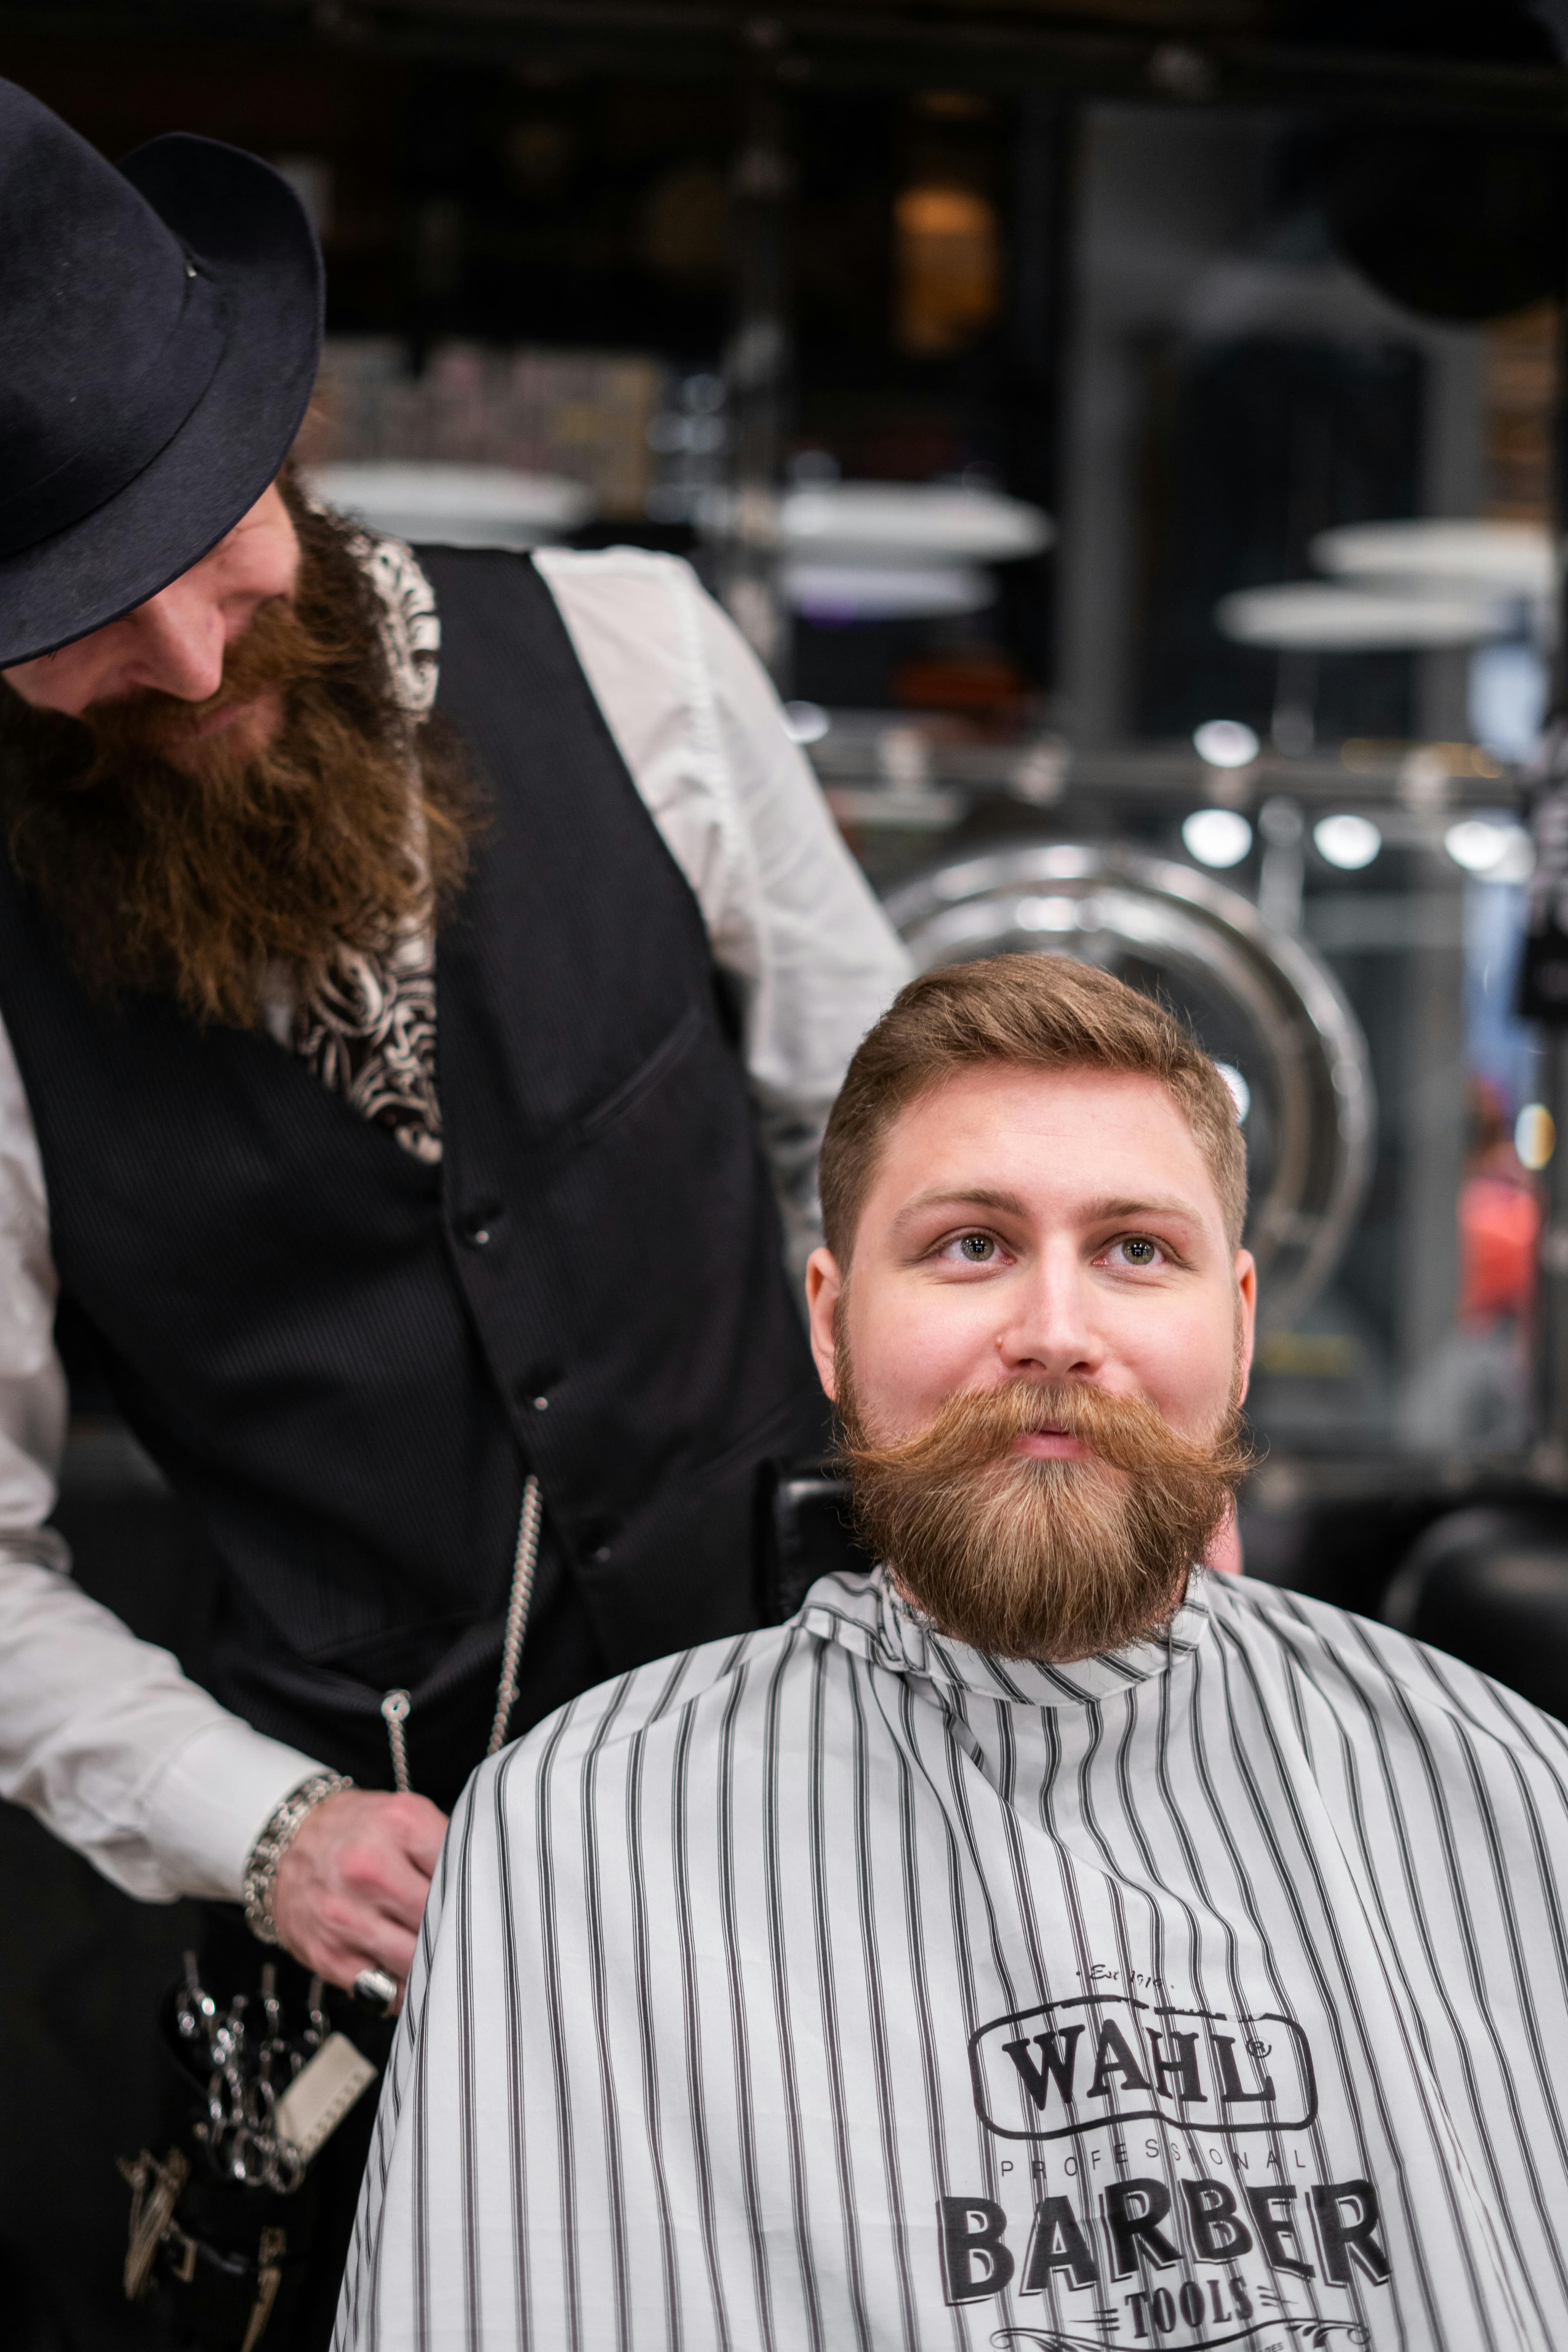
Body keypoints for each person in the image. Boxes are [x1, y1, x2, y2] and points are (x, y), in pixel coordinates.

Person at [0, 76, 907, 2341]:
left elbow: (905, 1142)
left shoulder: (637, 657)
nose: (194, 668)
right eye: (80, 622)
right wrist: (262, 1825)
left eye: (209, 545)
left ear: (271, 429)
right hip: (392, 1929)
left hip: (826, 1801)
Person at [340, 953, 1568, 2352]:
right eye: (972, 1246)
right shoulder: (572, 1846)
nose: (1054, 1333)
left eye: (1136, 1252)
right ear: (830, 1321)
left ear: (1236, 1330)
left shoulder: (1515, 1796)